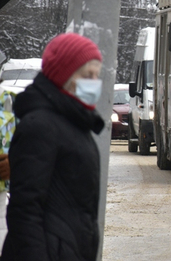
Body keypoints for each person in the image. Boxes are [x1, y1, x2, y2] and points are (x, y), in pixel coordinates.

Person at [1, 33, 105, 261]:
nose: (94, 82)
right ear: (64, 75)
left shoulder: (74, 123)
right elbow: (24, 211)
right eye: (88, 74)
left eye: (97, 75)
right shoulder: (41, 126)